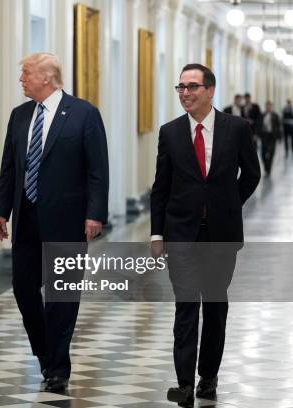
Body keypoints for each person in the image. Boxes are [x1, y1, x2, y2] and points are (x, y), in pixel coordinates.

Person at [0, 53, 109, 392]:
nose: (21, 79)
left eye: (26, 73)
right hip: (26, 216)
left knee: (62, 294)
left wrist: (95, 213)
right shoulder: (19, 115)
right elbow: (9, 168)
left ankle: (58, 367)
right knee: (23, 287)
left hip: (68, 219)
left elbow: (97, 169)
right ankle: (46, 350)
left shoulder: (84, 114)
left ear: (47, 77)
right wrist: (1, 210)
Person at [150, 64, 260, 406]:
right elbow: (161, 188)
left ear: (210, 90)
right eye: (180, 87)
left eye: (192, 87)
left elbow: (252, 174)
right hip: (180, 232)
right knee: (185, 305)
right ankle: (183, 383)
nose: (185, 93)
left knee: (214, 305)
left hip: (220, 235)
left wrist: (227, 205)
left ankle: (207, 377)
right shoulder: (170, 132)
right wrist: (157, 233)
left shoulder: (236, 128)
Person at [259, 101, 281, 175]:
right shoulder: (262, 115)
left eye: (269, 106)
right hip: (264, 136)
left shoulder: (275, 115)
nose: (268, 107)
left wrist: (279, 136)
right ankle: (266, 165)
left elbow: (278, 126)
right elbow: (258, 125)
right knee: (263, 153)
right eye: (267, 106)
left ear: (271, 107)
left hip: (272, 136)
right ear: (265, 107)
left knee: (271, 153)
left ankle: (269, 168)